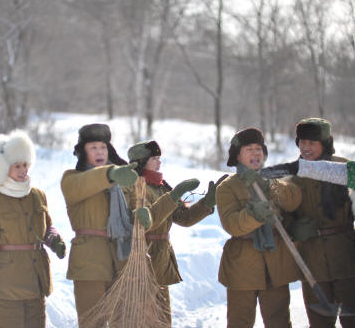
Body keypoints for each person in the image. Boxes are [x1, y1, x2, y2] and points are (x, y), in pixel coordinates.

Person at [60, 124, 197, 327]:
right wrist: (111, 174)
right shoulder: (72, 178)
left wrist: (145, 216)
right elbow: (85, 184)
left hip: (122, 259)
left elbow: (135, 219)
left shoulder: (122, 183)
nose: (99, 152)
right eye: (93, 147)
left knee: (125, 321)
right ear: (83, 152)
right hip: (90, 262)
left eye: (103, 147)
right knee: (92, 322)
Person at [0, 130, 66, 328]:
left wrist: (55, 241)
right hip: (7, 286)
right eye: (16, 166)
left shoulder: (37, 195)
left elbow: (46, 228)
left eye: (24, 164)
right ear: (2, 169)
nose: (22, 170)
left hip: (36, 282)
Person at [124, 140, 227, 326]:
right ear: (140, 162)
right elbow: (146, 221)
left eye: (159, 158)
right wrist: (173, 196)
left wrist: (208, 202)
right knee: (143, 317)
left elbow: (184, 218)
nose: (159, 162)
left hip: (161, 258)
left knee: (162, 318)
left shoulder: (161, 186)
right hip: (142, 257)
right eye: (154, 158)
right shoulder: (134, 187)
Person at [265, 118, 355, 327]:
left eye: (312, 143)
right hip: (311, 261)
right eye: (302, 142)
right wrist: (293, 228)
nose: (305, 148)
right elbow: (280, 216)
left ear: (326, 142)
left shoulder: (344, 169)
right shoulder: (289, 178)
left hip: (347, 258)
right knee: (319, 322)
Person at [215, 127, 302, 328]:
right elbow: (232, 224)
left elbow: (294, 201)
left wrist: (271, 185)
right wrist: (254, 214)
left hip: (276, 263)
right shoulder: (227, 187)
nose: (255, 153)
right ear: (237, 155)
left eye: (258, 148)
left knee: (279, 321)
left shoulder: (275, 178)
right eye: (249, 149)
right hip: (242, 266)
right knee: (240, 322)